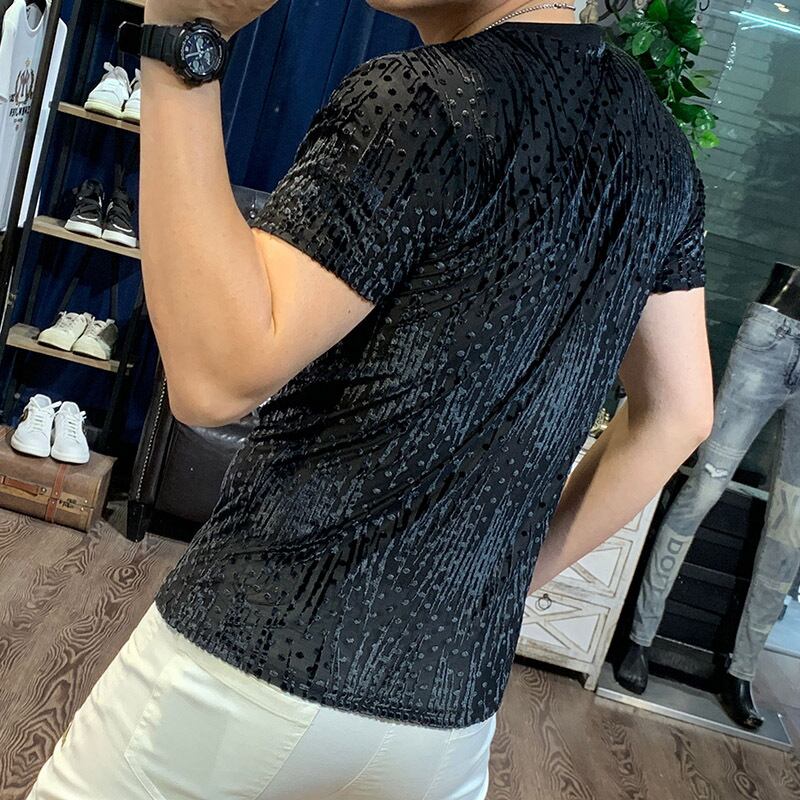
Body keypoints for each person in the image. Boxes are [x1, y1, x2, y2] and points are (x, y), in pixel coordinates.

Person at [24, 1, 713, 798]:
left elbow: (213, 380)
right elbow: (681, 412)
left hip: (256, 663)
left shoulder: (427, 99)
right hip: (447, 723)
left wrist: (181, 32)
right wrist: (494, 585)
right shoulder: (661, 154)